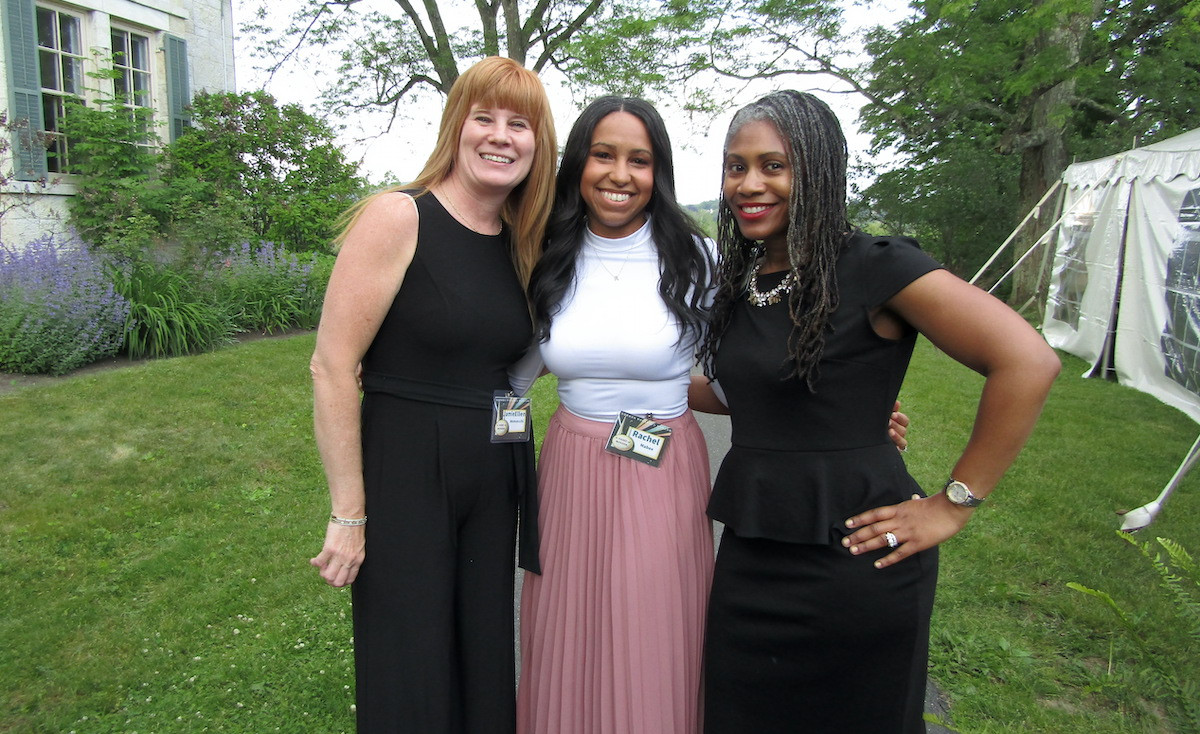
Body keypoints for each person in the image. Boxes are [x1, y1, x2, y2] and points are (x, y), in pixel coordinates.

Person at [693, 90, 1061, 733]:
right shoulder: (743, 281)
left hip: (859, 561)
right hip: (753, 556)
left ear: (819, 170)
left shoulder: (875, 266)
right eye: (735, 166)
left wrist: (952, 504)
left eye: (773, 166)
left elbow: (1028, 362)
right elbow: (740, 391)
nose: (749, 184)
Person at [307, 57, 557, 733]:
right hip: (408, 469)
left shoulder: (524, 244)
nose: (501, 136)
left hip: (492, 477)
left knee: (482, 659)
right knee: (410, 663)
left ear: (539, 144)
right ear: (457, 126)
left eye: (520, 124)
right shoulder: (399, 217)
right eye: (485, 118)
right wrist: (349, 513)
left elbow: (512, 373)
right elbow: (332, 366)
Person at [514, 96, 716, 734]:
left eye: (640, 160)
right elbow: (511, 381)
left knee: (651, 629)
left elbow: (744, 376)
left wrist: (847, 415)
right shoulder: (543, 255)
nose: (620, 174)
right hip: (569, 470)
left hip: (664, 468)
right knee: (569, 628)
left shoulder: (699, 260)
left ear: (660, 173)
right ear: (579, 163)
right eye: (604, 155)